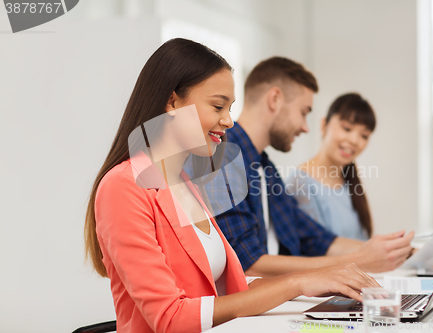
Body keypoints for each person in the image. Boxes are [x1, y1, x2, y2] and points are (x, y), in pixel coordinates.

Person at [84, 39, 379, 333]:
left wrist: (319, 281)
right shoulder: (122, 187)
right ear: (172, 102)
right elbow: (170, 317)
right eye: (217, 106)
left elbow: (227, 290)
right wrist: (298, 282)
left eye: (229, 107)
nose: (228, 121)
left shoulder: (186, 183)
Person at [214, 57, 414, 278]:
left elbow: (314, 237)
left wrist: (399, 250)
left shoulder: (265, 168)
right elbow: (249, 264)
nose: (305, 127)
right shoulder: (223, 156)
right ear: (275, 99)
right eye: (303, 111)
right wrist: (358, 261)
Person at [285, 93, 376, 241]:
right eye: (347, 128)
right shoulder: (300, 183)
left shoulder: (349, 181)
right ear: (324, 125)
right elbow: (315, 249)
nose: (354, 140)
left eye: (364, 136)